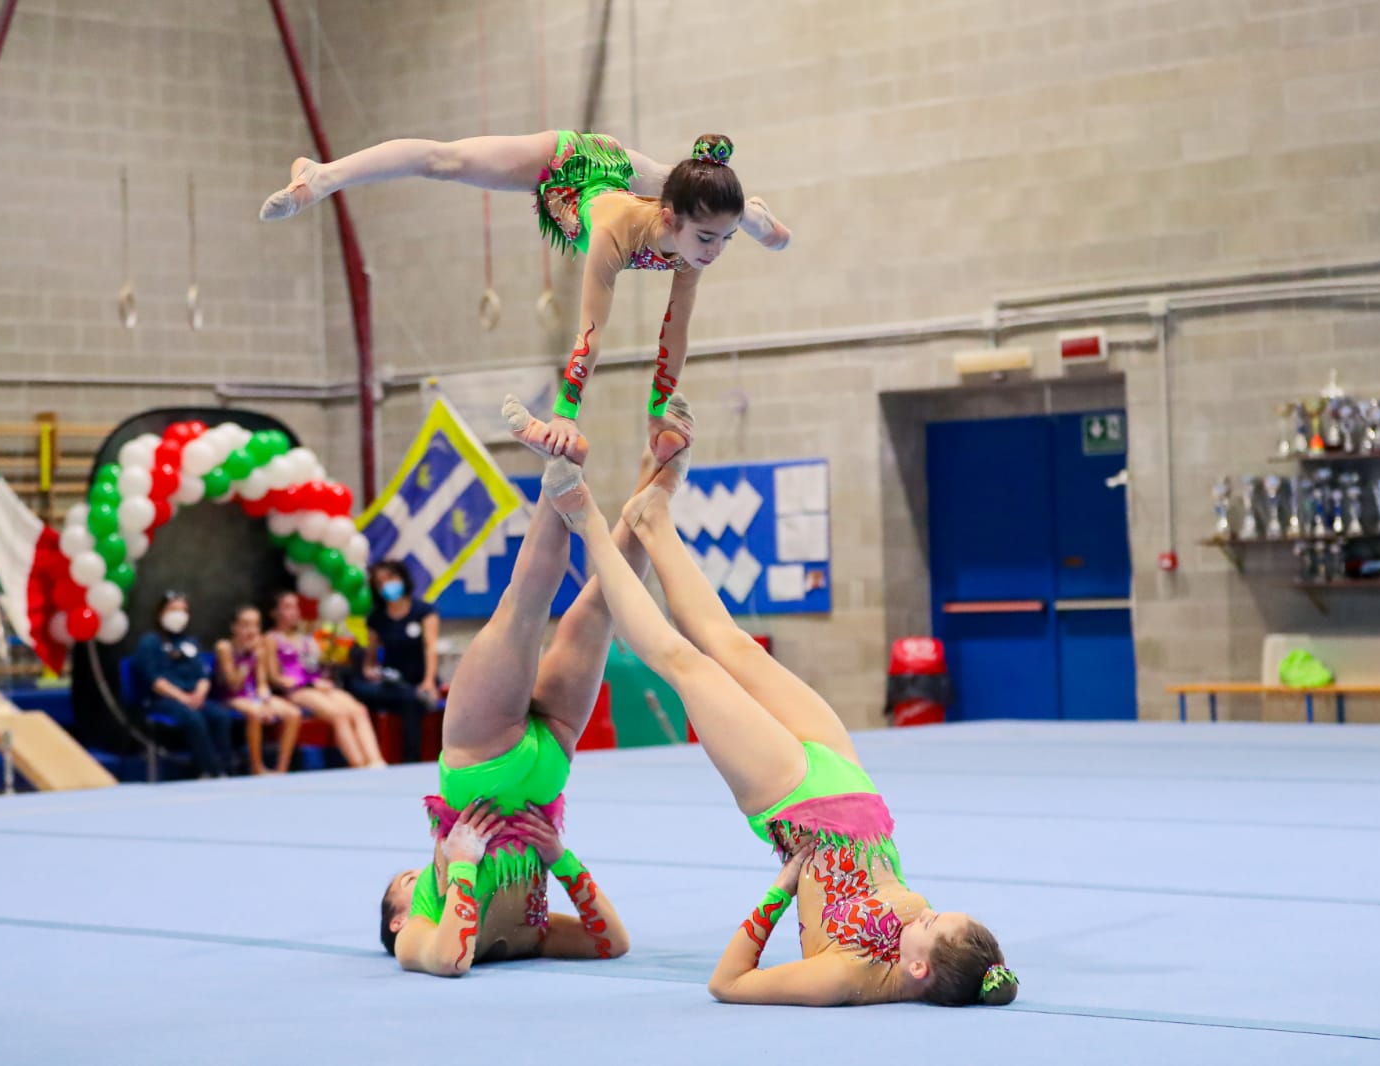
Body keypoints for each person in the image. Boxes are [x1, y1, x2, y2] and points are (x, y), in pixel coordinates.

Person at [536, 423, 1020, 1008]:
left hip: (795, 800)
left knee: (687, 665)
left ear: (918, 969)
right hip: (852, 783)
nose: (927, 912)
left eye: (933, 923)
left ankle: (586, 518)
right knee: (735, 647)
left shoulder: (848, 976)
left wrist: (781, 889)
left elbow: (728, 983)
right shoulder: (918, 944)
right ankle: (653, 519)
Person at [373, 397, 689, 977]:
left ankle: (598, 470)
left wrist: (459, 862)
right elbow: (608, 943)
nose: (418, 875)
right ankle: (642, 473)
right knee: (592, 609)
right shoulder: (517, 935)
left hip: (481, 763)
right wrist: (558, 857)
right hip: (542, 777)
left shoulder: (422, 928)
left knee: (529, 608)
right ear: (396, 917)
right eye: (408, 880)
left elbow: (446, 957)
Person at [259, 130, 789, 462]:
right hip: (575, 166)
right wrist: (565, 413)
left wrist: (657, 410)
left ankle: (758, 218)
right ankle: (321, 176)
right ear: (673, 221)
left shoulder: (697, 242)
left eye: (725, 239)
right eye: (708, 239)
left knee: (756, 227)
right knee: (446, 162)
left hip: (653, 190)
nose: (716, 252)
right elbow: (591, 331)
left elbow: (676, 328)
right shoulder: (614, 230)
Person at [265, 590, 386, 769]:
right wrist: (307, 682)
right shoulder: (270, 639)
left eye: (296, 607)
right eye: (287, 607)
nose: (294, 612)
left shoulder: (305, 638)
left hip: (317, 685)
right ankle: (359, 764)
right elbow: (273, 676)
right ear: (275, 613)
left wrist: (324, 670)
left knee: (359, 710)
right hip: (296, 689)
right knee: (339, 714)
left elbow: (316, 667)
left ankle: (376, 761)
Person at [132, 591, 235, 779]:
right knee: (193, 719)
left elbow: (203, 675)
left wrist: (199, 694)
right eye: (173, 609)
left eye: (183, 610)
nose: (179, 614)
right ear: (160, 612)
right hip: (164, 700)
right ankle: (210, 771)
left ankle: (226, 767)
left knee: (220, 716)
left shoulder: (191, 643)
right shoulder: (150, 642)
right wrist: (183, 698)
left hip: (194, 697)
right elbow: (155, 681)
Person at [348, 560, 439, 763]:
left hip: (420, 683)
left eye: (389, 579)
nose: (386, 586)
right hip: (391, 686)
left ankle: (412, 761)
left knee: (413, 699)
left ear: (402, 579)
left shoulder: (424, 611)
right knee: (359, 690)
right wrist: (370, 670)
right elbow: (370, 661)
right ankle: (367, 759)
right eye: (380, 583)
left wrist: (429, 681)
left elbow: (431, 647)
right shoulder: (376, 619)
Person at [214, 605, 303, 775]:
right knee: (255, 713)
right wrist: (246, 656)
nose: (251, 630)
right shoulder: (224, 647)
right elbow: (233, 684)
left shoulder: (260, 647)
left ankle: (281, 768)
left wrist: (266, 701)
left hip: (252, 696)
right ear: (234, 627)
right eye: (245, 625)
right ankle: (257, 767)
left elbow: (261, 684)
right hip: (231, 697)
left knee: (294, 713)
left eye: (255, 625)